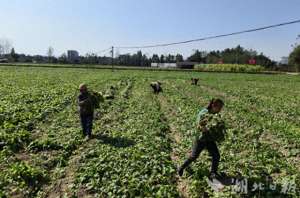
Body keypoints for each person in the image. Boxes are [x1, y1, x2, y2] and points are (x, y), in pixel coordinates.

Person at [178, 98, 226, 179]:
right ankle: (181, 167)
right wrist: (205, 127)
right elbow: (200, 125)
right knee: (194, 156)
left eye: (221, 108)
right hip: (201, 139)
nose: (220, 110)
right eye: (219, 107)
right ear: (213, 106)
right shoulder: (204, 113)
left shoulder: (215, 114)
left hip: (209, 139)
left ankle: (213, 173)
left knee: (216, 155)